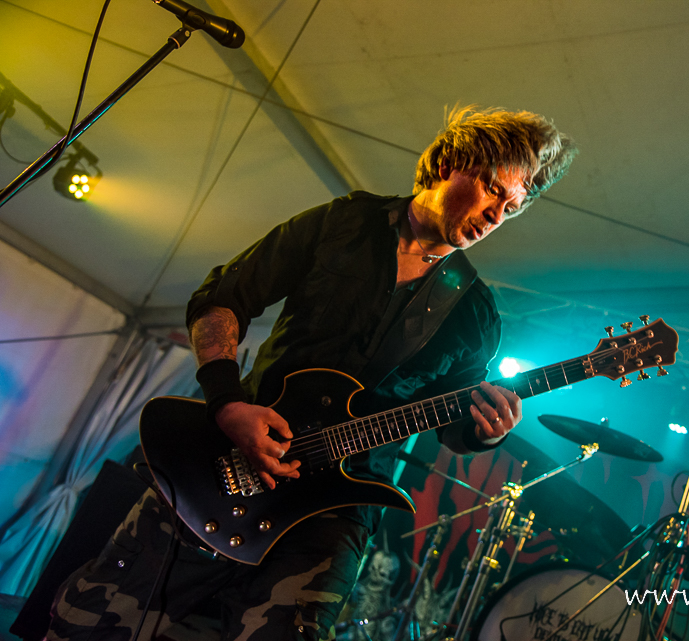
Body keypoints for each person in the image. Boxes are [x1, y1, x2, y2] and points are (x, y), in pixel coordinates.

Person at [46, 106, 577, 641]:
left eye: (512, 207)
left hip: (334, 510)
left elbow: (454, 425)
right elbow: (223, 298)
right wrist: (227, 404)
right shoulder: (344, 223)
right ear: (450, 164)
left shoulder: (475, 313)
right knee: (93, 623)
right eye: (492, 189)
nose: (496, 214)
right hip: (228, 463)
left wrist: (485, 432)